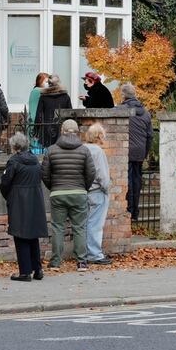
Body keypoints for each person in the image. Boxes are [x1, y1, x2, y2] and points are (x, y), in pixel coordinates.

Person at [42, 120, 96, 272]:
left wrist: (53, 187)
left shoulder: (51, 150)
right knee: (79, 227)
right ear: (77, 132)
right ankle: (82, 262)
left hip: (58, 193)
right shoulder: (84, 150)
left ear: (62, 131)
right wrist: (84, 187)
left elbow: (44, 174)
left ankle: (56, 262)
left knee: (58, 227)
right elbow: (91, 173)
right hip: (79, 193)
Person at [0, 132, 49, 282]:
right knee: (32, 235)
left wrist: (10, 196)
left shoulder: (14, 161)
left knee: (20, 236)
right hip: (35, 199)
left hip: (19, 201)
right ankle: (38, 269)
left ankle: (25, 272)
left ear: (15, 147)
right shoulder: (35, 160)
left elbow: (5, 183)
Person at [118, 83, 153, 221]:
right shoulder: (146, 113)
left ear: (123, 95)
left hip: (125, 151)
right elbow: (150, 136)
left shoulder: (120, 109)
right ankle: (135, 212)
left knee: (126, 181)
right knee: (136, 182)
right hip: (139, 151)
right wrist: (144, 153)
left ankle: (128, 210)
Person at [83, 123, 113, 265]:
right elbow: (102, 175)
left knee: (85, 223)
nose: (104, 137)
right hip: (97, 191)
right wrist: (106, 189)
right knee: (95, 223)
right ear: (99, 136)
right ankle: (94, 254)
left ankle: (85, 252)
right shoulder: (98, 151)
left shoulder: (82, 149)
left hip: (83, 191)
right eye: (103, 135)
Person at [36, 74, 72, 148]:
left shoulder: (43, 96)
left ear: (49, 84)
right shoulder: (65, 96)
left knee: (48, 151)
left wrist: (36, 130)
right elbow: (70, 114)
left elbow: (38, 115)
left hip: (47, 127)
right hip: (61, 127)